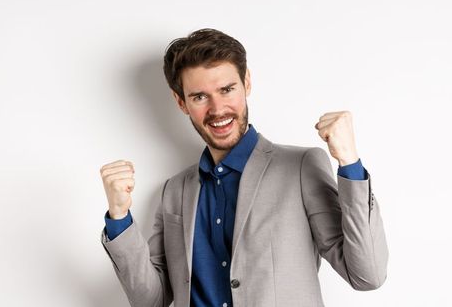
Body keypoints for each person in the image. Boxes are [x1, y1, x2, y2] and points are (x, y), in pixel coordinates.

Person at [99, 28, 388, 307]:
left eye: (227, 89)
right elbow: (150, 300)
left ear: (246, 83)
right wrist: (120, 217)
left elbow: (367, 275)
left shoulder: (300, 168)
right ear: (181, 102)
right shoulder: (174, 190)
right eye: (200, 96)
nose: (217, 109)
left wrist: (349, 162)